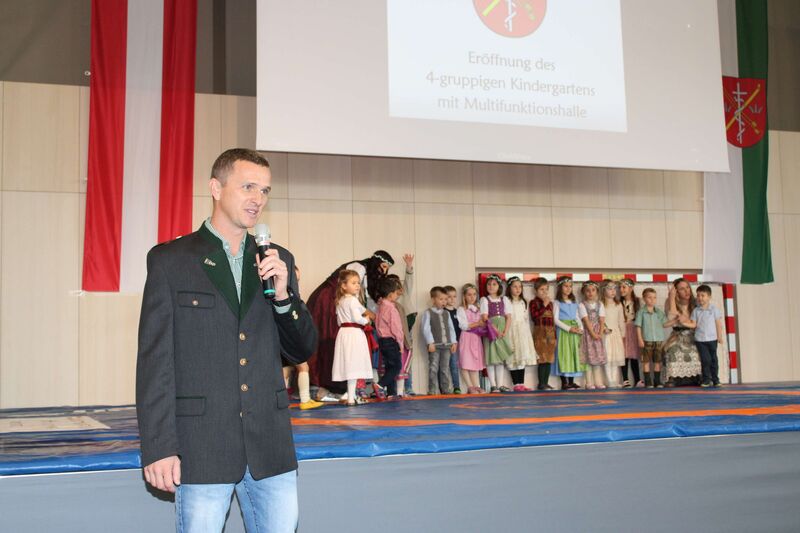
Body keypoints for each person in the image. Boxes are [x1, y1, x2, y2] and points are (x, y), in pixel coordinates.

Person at [136, 148, 318, 532]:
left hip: (270, 446)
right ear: (216, 188)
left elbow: (301, 349)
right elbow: (155, 363)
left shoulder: (277, 260)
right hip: (203, 445)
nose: (258, 199)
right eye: (248, 187)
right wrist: (159, 446)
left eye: (265, 191)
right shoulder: (171, 260)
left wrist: (283, 298)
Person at [306, 251, 394, 400]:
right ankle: (327, 385)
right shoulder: (358, 271)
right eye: (383, 266)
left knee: (342, 355)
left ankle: (340, 390)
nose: (384, 272)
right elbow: (358, 309)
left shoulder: (343, 300)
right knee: (333, 345)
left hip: (341, 321)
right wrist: (367, 319)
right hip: (326, 303)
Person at [332, 270, 376, 405]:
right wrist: (366, 320)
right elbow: (358, 318)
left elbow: (338, 321)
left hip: (344, 333)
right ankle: (351, 397)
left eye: (358, 283)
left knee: (349, 364)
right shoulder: (352, 300)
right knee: (354, 364)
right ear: (344, 285)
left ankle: (351, 396)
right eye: (353, 283)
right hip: (354, 334)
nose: (357, 285)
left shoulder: (340, 301)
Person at [282, 265, 323, 410]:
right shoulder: (283, 296)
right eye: (294, 279)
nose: (296, 283)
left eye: (298, 280)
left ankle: (300, 400)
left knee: (291, 369)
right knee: (293, 369)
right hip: (285, 340)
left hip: (291, 340)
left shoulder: (294, 297)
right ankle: (299, 400)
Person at [663, 278, 703, 387]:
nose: (686, 291)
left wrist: (686, 320)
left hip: (692, 334)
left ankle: (697, 376)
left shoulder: (696, 302)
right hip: (677, 335)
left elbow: (698, 321)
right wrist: (672, 298)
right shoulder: (669, 301)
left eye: (687, 287)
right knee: (672, 350)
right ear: (676, 292)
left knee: (698, 350)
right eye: (682, 289)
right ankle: (673, 377)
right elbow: (671, 318)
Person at [685, 285, 725, 387]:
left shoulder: (714, 309)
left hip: (712, 339)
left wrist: (719, 336)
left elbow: (718, 324)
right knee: (705, 360)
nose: (700, 298)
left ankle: (715, 379)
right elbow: (693, 324)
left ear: (709, 297)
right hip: (700, 340)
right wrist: (684, 323)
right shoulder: (696, 311)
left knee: (713, 360)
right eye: (698, 295)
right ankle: (706, 379)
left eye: (703, 295)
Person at [421, 286, 458, 395]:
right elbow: (425, 329)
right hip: (435, 346)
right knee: (433, 367)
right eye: (441, 299)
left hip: (447, 346)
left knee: (445, 368)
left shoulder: (446, 313)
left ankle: (445, 390)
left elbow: (451, 328)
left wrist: (454, 342)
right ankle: (432, 390)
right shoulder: (428, 313)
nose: (444, 301)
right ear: (433, 300)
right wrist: (430, 342)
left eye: (445, 299)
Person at [480, 275, 514, 393]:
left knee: (500, 357)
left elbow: (508, 317)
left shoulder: (504, 300)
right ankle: (493, 385)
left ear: (499, 286)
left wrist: (505, 331)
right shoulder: (485, 300)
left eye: (494, 284)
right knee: (491, 357)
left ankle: (500, 385)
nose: (491, 286)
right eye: (489, 284)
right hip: (491, 330)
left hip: (503, 330)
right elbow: (485, 317)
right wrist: (495, 330)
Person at [504, 276, 537, 391]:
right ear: (509, 288)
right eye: (515, 286)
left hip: (522, 331)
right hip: (511, 330)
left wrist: (528, 334)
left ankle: (521, 383)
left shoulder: (524, 301)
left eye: (520, 287)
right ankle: (515, 384)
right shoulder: (506, 301)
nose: (518, 289)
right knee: (512, 357)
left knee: (522, 356)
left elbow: (525, 318)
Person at [375, 277, 406, 397]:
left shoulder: (380, 307)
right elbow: (396, 328)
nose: (397, 296)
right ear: (390, 294)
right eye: (396, 293)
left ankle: (391, 392)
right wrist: (400, 343)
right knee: (396, 366)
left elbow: (377, 324)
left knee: (389, 366)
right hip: (391, 341)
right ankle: (380, 385)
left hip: (382, 340)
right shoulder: (391, 309)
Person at [553, 276, 583, 390]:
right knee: (563, 354)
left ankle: (571, 381)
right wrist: (568, 328)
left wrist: (580, 328)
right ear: (560, 288)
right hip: (564, 332)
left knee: (573, 354)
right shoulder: (557, 303)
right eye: (565, 286)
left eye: (570, 286)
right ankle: (564, 382)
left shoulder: (574, 302)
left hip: (574, 331)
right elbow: (555, 320)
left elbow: (577, 317)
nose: (568, 288)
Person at [456, 283, 487, 394]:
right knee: (465, 362)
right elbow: (463, 325)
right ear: (464, 296)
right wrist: (477, 323)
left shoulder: (478, 309)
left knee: (474, 363)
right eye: (469, 295)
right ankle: (470, 386)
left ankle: (476, 385)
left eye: (474, 294)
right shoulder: (461, 309)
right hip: (466, 337)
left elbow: (482, 323)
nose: (472, 297)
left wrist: (483, 325)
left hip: (476, 338)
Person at [635, 288, 667, 388]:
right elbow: (638, 326)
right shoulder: (641, 312)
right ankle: (648, 381)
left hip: (658, 340)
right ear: (644, 298)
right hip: (646, 340)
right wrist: (640, 339)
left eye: (654, 297)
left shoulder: (659, 312)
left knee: (658, 361)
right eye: (649, 297)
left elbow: (665, 324)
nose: (652, 300)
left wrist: (675, 320)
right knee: (646, 361)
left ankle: (657, 381)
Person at [579, 281, 608, 389]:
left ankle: (598, 382)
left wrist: (599, 333)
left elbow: (602, 320)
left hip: (598, 333)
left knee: (597, 358)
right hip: (588, 334)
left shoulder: (600, 304)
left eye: (593, 290)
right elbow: (586, 320)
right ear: (584, 292)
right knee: (588, 358)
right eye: (588, 290)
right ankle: (589, 382)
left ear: (597, 291)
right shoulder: (582, 305)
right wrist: (592, 334)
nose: (590, 293)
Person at [530, 278, 556, 390]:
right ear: (536, 290)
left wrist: (555, 336)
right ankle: (541, 383)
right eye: (541, 289)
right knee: (542, 359)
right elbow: (534, 317)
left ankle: (546, 382)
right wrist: (544, 305)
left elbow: (553, 320)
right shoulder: (533, 303)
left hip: (551, 333)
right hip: (540, 333)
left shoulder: (551, 304)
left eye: (546, 289)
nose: (544, 292)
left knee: (549, 359)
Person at [601, 280, 626, 388]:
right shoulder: (601, 304)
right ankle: (609, 380)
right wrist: (603, 329)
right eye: (610, 289)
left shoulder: (618, 304)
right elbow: (599, 320)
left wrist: (623, 334)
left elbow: (621, 320)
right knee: (608, 356)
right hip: (606, 334)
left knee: (616, 357)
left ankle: (615, 380)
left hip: (616, 334)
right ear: (603, 290)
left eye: (614, 289)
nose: (613, 291)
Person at [619, 279, 643, 387]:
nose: (621, 289)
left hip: (634, 329)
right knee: (624, 354)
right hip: (623, 329)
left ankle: (637, 379)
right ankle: (625, 379)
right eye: (620, 287)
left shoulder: (638, 301)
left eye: (624, 287)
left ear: (631, 288)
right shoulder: (619, 302)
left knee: (634, 355)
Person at [444, 285, 464, 394]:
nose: (452, 299)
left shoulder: (458, 312)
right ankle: (444, 388)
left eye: (454, 296)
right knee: (444, 366)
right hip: (445, 343)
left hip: (456, 343)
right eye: (449, 297)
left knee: (454, 365)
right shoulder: (442, 312)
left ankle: (457, 387)